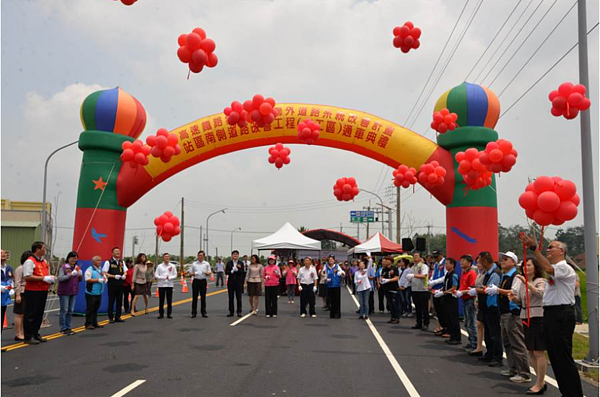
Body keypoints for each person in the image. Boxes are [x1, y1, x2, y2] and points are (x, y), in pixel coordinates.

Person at [519, 234, 583, 397]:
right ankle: (566, 392)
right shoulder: (555, 272)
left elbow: (547, 268)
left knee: (563, 357)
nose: (548, 249)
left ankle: (573, 393)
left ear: (561, 251)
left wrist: (534, 248)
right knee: (555, 357)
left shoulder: (564, 267)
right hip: (551, 314)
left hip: (561, 314)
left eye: (551, 247)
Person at [509, 257, 548, 395]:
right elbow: (522, 301)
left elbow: (540, 293)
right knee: (531, 350)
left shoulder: (540, 281)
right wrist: (514, 298)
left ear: (536, 267)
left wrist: (526, 283)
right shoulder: (521, 283)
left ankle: (540, 382)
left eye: (529, 265)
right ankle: (540, 381)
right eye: (524, 265)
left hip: (538, 317)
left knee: (538, 351)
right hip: (526, 317)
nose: (526, 268)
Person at [492, 251, 531, 383]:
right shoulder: (505, 276)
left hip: (513, 313)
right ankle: (513, 367)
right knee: (508, 342)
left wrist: (497, 290)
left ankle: (524, 372)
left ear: (513, 262)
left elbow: (513, 292)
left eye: (506, 259)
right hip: (504, 312)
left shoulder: (516, 276)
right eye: (502, 259)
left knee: (517, 342)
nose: (502, 261)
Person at [471, 252, 503, 367]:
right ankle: (489, 353)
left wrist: (476, 290)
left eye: (479, 261)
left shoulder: (495, 273)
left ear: (485, 261)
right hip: (485, 306)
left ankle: (497, 357)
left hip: (493, 306)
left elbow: (489, 289)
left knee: (494, 332)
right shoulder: (488, 273)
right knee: (488, 333)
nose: (478, 264)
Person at [23, 241, 55, 344]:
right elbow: (27, 276)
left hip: (42, 290)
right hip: (32, 291)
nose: (45, 250)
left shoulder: (44, 261)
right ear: (37, 249)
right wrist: (43, 278)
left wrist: (50, 278)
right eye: (43, 248)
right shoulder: (30, 261)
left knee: (39, 313)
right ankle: (28, 336)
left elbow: (46, 274)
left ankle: (36, 333)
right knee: (31, 314)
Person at [454, 255, 478, 351]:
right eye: (461, 260)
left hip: (470, 300)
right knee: (467, 322)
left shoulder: (471, 273)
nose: (461, 262)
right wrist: (458, 292)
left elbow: (472, 288)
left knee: (471, 322)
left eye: (463, 261)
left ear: (469, 263)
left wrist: (462, 292)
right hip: (465, 299)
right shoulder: (464, 273)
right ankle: (471, 341)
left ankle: (475, 344)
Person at [57, 251, 82, 335]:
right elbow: (60, 278)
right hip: (64, 291)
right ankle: (63, 328)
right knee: (64, 310)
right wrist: (70, 275)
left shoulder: (77, 267)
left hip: (73, 291)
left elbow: (80, 280)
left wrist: (80, 275)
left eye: (75, 258)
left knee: (70, 310)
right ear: (68, 258)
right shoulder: (63, 267)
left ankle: (68, 327)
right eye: (72, 258)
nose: (74, 260)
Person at [102, 247, 127, 323]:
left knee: (119, 301)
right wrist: (114, 276)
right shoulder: (108, 262)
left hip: (120, 283)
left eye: (119, 251)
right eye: (116, 251)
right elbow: (104, 273)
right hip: (112, 284)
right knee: (111, 300)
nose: (118, 253)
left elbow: (125, 270)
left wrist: (124, 275)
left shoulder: (122, 262)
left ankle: (118, 316)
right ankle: (110, 317)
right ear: (112, 253)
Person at [468, 259, 487, 356]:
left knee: (483, 326)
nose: (478, 265)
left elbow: (485, 289)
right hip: (479, 300)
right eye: (477, 263)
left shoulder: (486, 274)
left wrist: (476, 290)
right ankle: (478, 347)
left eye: (480, 263)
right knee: (479, 324)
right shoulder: (479, 274)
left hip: (486, 302)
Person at [441, 258, 461, 345]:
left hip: (452, 298)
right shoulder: (447, 274)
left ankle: (456, 337)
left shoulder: (454, 275)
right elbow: (445, 285)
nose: (446, 265)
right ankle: (452, 336)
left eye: (447, 264)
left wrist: (444, 292)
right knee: (448, 317)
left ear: (452, 265)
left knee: (453, 319)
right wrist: (441, 290)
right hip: (446, 298)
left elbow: (454, 287)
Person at [407, 252, 429, 331]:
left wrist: (413, 275)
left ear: (420, 258)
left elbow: (424, 276)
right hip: (414, 288)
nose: (415, 258)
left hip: (422, 289)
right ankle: (418, 323)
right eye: (414, 257)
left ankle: (426, 323)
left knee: (424, 308)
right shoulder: (413, 267)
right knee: (418, 307)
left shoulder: (424, 266)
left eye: (417, 256)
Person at [84, 255, 106, 329]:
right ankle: (88, 323)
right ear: (93, 262)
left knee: (96, 308)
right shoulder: (90, 269)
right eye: (98, 260)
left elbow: (103, 276)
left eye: (100, 260)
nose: (100, 262)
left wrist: (105, 279)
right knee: (90, 308)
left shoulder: (100, 269)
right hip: (91, 292)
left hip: (99, 292)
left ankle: (94, 322)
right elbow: (87, 279)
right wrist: (98, 280)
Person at [12, 251, 30, 342]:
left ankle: (23, 332)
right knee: (20, 314)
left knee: (25, 314)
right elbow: (17, 282)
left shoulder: (29, 269)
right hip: (21, 292)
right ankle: (18, 333)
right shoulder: (20, 268)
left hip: (28, 292)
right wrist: (18, 295)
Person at [429, 251, 447, 336]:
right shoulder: (436, 264)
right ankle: (440, 326)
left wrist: (435, 282)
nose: (435, 259)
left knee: (443, 310)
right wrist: (431, 281)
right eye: (434, 257)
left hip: (442, 288)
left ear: (441, 255)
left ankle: (444, 327)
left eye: (437, 257)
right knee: (438, 310)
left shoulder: (445, 263)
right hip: (435, 289)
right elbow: (433, 274)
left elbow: (445, 277)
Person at [189, 250, 212, 318]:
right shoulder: (194, 264)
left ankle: (203, 312)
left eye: (201, 255)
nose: (200, 257)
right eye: (199, 255)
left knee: (203, 297)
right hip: (196, 280)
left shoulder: (206, 264)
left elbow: (210, 272)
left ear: (204, 256)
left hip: (203, 281)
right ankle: (193, 312)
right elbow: (190, 273)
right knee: (194, 297)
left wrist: (206, 273)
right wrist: (196, 273)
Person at [155, 253, 177, 319]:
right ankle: (161, 313)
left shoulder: (172, 266)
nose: (167, 258)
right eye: (165, 257)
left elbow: (175, 275)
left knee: (169, 300)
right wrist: (162, 277)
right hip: (161, 285)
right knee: (161, 300)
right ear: (163, 258)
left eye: (168, 257)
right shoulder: (159, 266)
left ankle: (169, 313)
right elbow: (156, 275)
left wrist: (169, 277)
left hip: (169, 285)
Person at [380, 256, 401, 324]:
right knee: (390, 304)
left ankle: (397, 317)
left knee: (395, 303)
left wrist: (388, 280)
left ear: (390, 261)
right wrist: (382, 280)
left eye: (386, 260)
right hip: (386, 288)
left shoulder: (394, 268)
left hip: (393, 288)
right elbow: (382, 276)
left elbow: (396, 278)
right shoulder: (384, 269)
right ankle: (392, 317)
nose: (385, 261)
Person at [226, 250, 245, 317]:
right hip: (231, 282)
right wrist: (231, 271)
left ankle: (239, 311)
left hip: (238, 282)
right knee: (231, 298)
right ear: (232, 256)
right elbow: (226, 272)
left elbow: (242, 272)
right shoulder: (229, 263)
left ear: (238, 256)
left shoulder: (241, 263)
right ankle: (231, 312)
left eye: (236, 255)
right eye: (234, 255)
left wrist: (238, 270)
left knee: (238, 297)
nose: (235, 256)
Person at [1, 249, 14, 338]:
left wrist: (11, 288)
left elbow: (10, 281)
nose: (3, 254)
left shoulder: (9, 268)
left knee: (1, 319)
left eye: (4, 253)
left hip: (4, 298)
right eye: (1, 253)